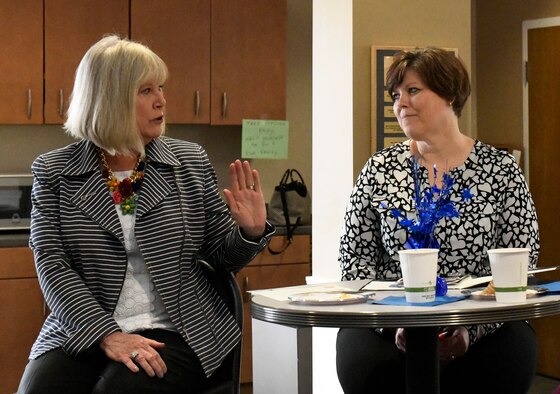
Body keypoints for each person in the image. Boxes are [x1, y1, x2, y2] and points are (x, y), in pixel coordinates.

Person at [17, 35, 274, 394]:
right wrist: (106, 334)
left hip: (179, 326)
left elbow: (221, 257)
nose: (162, 100)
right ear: (110, 98)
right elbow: (52, 266)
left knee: (117, 391)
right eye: (146, 90)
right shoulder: (54, 171)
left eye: (161, 88)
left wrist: (250, 231)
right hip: (84, 324)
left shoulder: (189, 162)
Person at [336, 47, 540, 394]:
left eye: (413, 90)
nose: (401, 103)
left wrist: (467, 331)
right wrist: (397, 325)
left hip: (483, 324)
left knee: (510, 351)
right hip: (390, 324)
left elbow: (521, 264)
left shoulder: (501, 171)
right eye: (395, 95)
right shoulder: (379, 170)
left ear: (450, 94)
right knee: (362, 357)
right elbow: (355, 265)